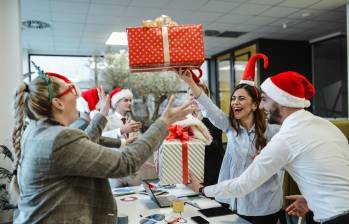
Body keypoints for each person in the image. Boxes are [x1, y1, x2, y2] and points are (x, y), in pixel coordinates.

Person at [10, 71, 193, 223]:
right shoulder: (58, 138)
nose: (78, 95)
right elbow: (126, 162)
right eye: (71, 90)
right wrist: (164, 122)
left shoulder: (36, 131)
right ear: (58, 103)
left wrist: (102, 114)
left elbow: (83, 145)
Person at [188, 70, 349, 224]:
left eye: (265, 100)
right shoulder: (325, 125)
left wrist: (202, 190)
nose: (262, 106)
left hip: (335, 218)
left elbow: (243, 185)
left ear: (282, 101)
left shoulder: (284, 137)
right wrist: (311, 199)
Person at [179, 54, 283, 224]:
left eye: (241, 98)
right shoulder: (230, 128)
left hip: (263, 205)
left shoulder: (273, 133)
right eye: (234, 98)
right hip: (236, 202)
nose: (235, 102)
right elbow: (209, 107)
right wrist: (191, 82)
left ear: (255, 105)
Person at [187, 82, 224, 186]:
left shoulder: (213, 118)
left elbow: (215, 146)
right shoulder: (184, 118)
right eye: (191, 95)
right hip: (190, 171)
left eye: (197, 95)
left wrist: (193, 138)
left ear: (205, 98)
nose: (194, 98)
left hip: (210, 173)